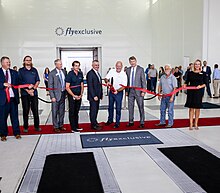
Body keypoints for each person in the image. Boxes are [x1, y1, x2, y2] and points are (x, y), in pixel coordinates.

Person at [18, 55, 41, 132]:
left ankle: (37, 126)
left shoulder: (34, 70)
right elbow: (19, 82)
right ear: (24, 61)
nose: (28, 61)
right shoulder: (21, 71)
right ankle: (25, 127)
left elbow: (37, 81)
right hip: (25, 94)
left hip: (34, 93)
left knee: (35, 110)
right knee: (26, 110)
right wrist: (28, 91)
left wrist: (33, 89)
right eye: (27, 60)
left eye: (30, 60)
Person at [0, 56, 21, 141]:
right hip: (3, 99)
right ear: (2, 63)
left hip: (13, 98)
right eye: (6, 62)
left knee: (15, 117)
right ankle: (3, 134)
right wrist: (2, 84)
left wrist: (28, 86)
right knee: (2, 118)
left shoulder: (14, 73)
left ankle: (17, 133)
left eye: (9, 62)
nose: (8, 63)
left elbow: (19, 83)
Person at [184, 59, 206, 130]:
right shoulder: (190, 73)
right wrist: (184, 85)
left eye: (198, 64)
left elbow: (205, 83)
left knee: (197, 108)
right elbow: (186, 81)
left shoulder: (203, 73)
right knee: (191, 108)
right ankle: (190, 124)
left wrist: (200, 86)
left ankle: (196, 123)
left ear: (200, 65)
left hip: (199, 92)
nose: (197, 65)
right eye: (196, 64)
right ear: (194, 65)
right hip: (191, 92)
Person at [105, 61, 127, 128]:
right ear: (115, 66)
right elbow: (106, 78)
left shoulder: (124, 74)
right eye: (117, 66)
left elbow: (124, 86)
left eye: (119, 66)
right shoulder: (112, 71)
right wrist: (107, 82)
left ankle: (117, 122)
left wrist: (117, 91)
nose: (118, 68)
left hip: (119, 93)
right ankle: (110, 120)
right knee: (110, 107)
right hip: (111, 92)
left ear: (122, 67)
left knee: (118, 108)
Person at [126, 56, 147, 128]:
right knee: (130, 107)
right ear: (129, 62)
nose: (132, 63)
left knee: (141, 106)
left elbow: (143, 81)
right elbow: (127, 81)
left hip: (139, 91)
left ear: (136, 61)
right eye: (131, 62)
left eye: (133, 61)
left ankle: (142, 122)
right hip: (130, 91)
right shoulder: (128, 70)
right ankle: (131, 121)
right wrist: (126, 91)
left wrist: (143, 91)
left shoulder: (140, 69)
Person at [48, 59, 66, 133]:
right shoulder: (52, 73)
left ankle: (61, 125)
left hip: (63, 94)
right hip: (55, 96)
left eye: (61, 64)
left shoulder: (64, 72)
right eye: (59, 64)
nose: (61, 65)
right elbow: (50, 85)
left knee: (62, 111)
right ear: (56, 65)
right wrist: (52, 96)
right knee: (55, 112)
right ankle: (55, 126)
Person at [66, 61, 84, 132]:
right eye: (76, 66)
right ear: (73, 67)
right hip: (72, 96)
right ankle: (73, 128)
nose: (77, 67)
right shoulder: (70, 75)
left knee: (77, 111)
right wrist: (74, 95)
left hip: (79, 96)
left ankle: (76, 126)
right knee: (72, 112)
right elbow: (67, 87)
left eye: (78, 66)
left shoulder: (80, 73)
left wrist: (81, 94)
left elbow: (82, 84)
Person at [86, 60, 103, 130]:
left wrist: (101, 94)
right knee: (93, 110)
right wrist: (94, 96)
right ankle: (93, 125)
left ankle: (95, 122)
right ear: (92, 65)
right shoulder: (90, 73)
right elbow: (90, 86)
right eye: (96, 65)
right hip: (93, 96)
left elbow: (99, 85)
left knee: (96, 110)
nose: (97, 66)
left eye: (98, 65)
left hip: (98, 96)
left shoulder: (97, 73)